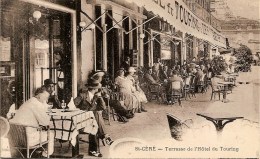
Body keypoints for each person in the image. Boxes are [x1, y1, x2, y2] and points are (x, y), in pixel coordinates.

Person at [9, 86, 54, 158]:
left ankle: (36, 154)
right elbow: (45, 122)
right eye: (46, 97)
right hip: (27, 139)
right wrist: (48, 113)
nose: (46, 99)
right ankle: (45, 155)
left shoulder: (29, 102)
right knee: (51, 134)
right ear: (39, 95)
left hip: (15, 139)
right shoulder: (37, 104)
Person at [74, 79, 113, 157]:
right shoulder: (82, 95)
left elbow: (103, 107)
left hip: (92, 120)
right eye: (98, 88)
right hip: (82, 118)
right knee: (96, 115)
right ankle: (105, 136)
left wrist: (100, 98)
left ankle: (94, 150)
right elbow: (73, 104)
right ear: (95, 89)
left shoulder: (97, 96)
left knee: (95, 121)